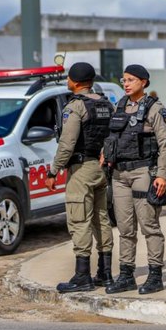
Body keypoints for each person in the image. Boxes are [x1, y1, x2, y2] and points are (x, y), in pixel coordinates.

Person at [102, 65, 166, 295]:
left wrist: (162, 175)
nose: (126, 83)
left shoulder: (155, 109)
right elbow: (113, 136)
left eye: (131, 79)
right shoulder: (120, 105)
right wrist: (106, 153)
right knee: (125, 228)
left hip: (143, 172)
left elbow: (165, 145)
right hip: (119, 175)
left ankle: (155, 275)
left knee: (149, 226)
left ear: (143, 82)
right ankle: (126, 274)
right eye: (124, 80)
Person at [46, 62, 115, 293]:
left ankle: (82, 275)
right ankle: (105, 273)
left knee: (80, 220)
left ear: (74, 82)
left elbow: (67, 144)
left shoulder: (75, 107)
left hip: (81, 169)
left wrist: (53, 171)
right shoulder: (105, 103)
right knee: (101, 219)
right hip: (101, 169)